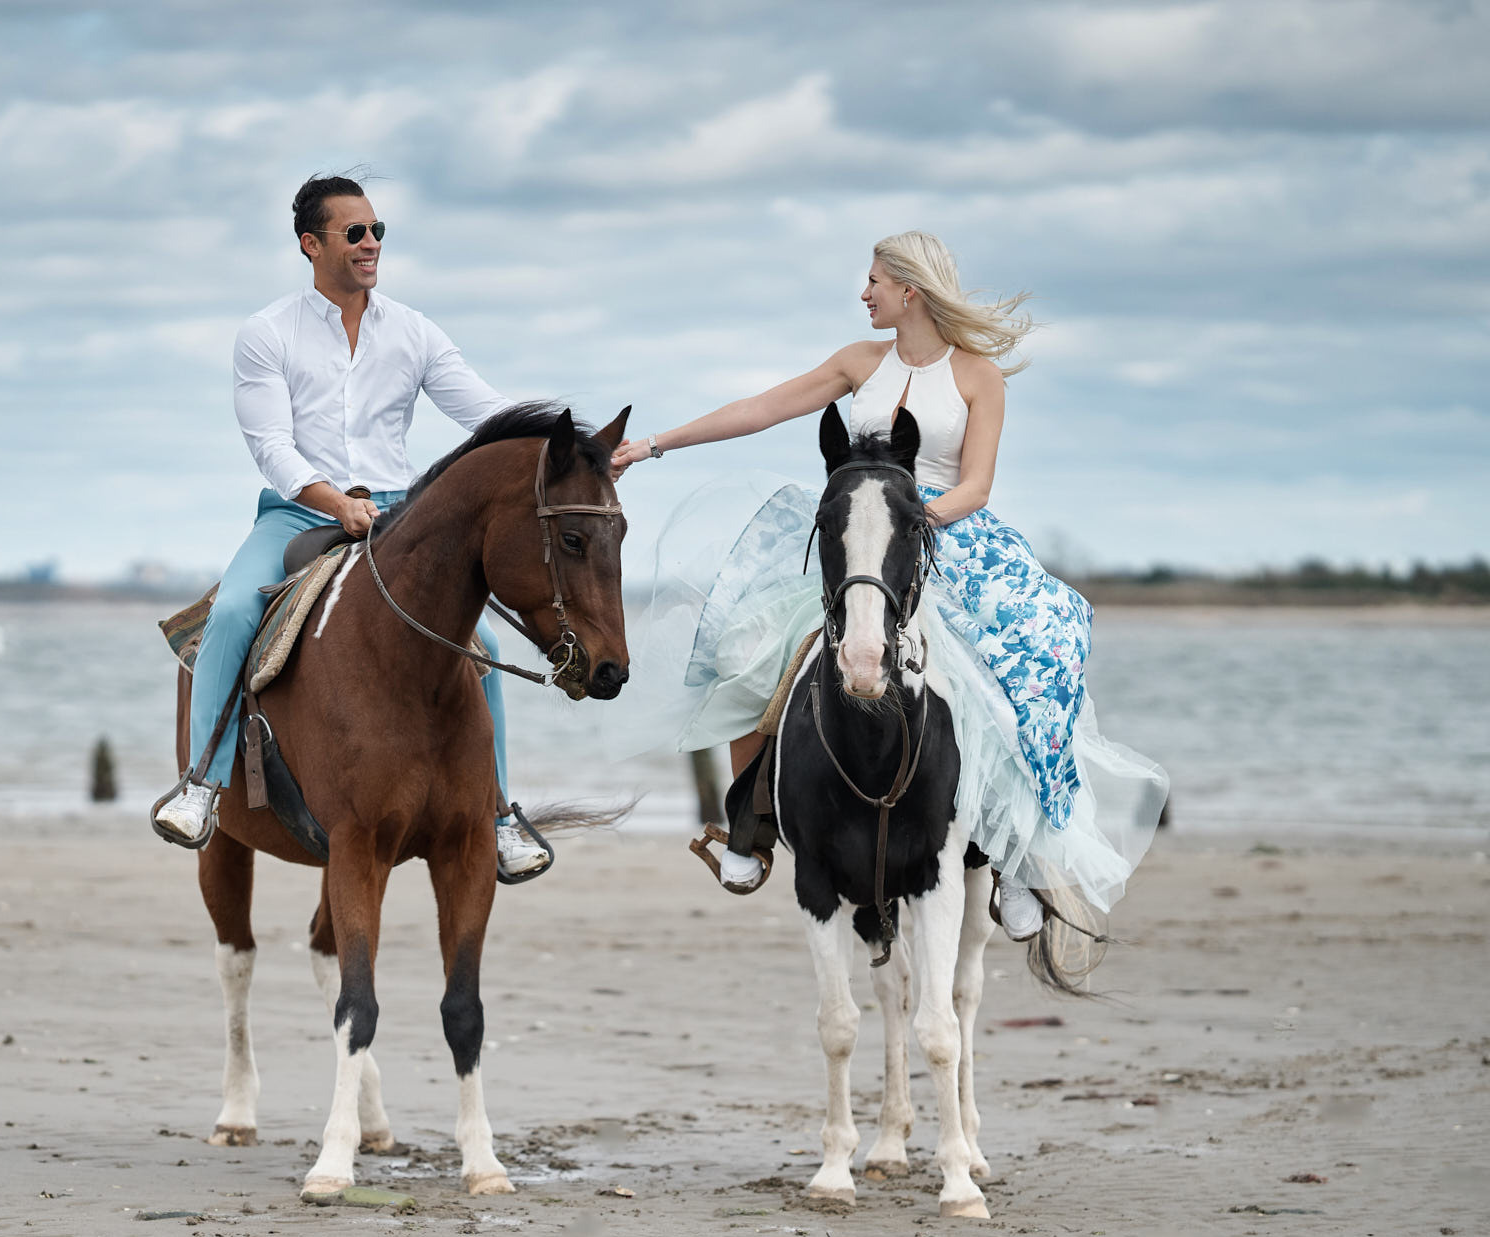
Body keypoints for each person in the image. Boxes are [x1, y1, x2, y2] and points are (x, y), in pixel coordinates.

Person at [609, 231, 1168, 940]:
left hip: (940, 532)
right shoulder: (857, 363)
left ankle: (1017, 859)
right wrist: (656, 444)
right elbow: (761, 408)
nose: (863, 293)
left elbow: (977, 484)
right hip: (857, 535)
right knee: (744, 644)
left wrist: (909, 522)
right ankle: (747, 828)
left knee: (1031, 662)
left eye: (873, 280)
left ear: (910, 290)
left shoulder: (977, 376)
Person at [154, 174, 550, 878]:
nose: (371, 245)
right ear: (312, 245)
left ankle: (498, 814)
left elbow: (487, 412)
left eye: (378, 232)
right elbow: (271, 444)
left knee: (481, 643)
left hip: (399, 517)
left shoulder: (414, 329)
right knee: (235, 610)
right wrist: (335, 502)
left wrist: (573, 444)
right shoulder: (266, 332)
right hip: (298, 513)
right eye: (354, 233)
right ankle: (202, 784)